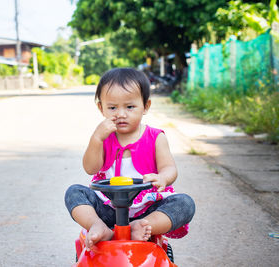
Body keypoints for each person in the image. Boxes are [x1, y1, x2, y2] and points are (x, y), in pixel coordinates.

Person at [65, 68, 195, 251]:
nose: (121, 114)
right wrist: (96, 139)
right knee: (74, 192)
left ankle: (141, 227)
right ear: (101, 108)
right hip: (108, 209)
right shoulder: (104, 138)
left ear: (146, 106)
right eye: (112, 108)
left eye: (130, 107)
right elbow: (90, 168)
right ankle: (98, 226)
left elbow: (169, 168)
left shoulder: (155, 137)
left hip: (147, 209)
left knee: (185, 203)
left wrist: (163, 178)